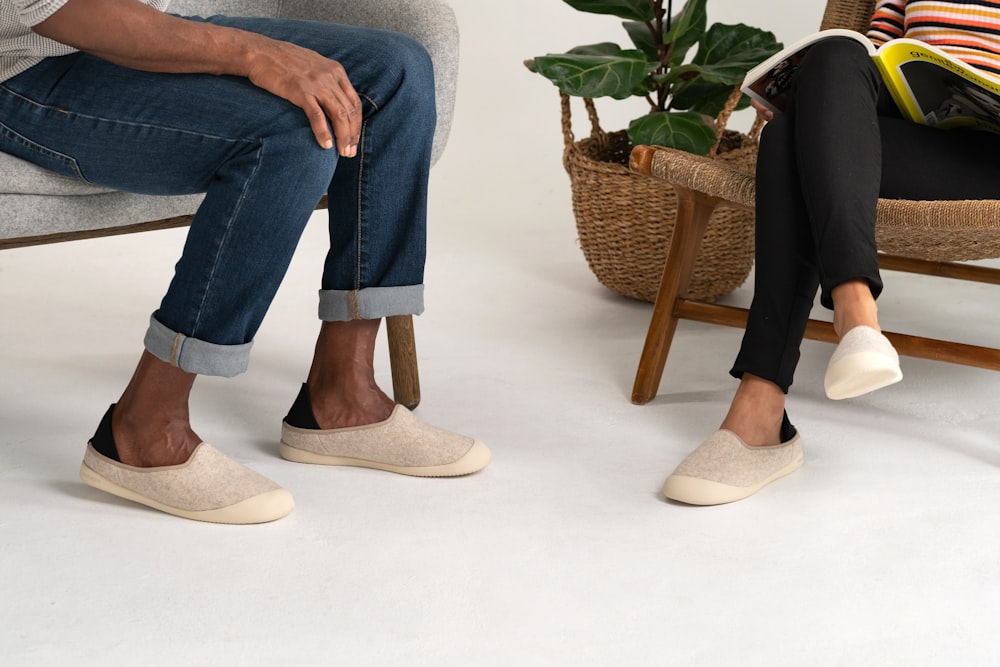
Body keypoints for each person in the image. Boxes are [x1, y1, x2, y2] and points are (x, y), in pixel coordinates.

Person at [2, 0, 490, 524]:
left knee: (396, 70)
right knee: (291, 134)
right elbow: (58, 12)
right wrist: (256, 54)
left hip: (142, 34)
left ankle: (342, 397)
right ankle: (143, 426)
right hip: (27, 67)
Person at [661, 0, 1000, 505]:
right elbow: (879, 56)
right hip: (917, 141)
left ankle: (762, 410)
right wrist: (818, 100)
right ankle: (855, 310)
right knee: (836, 55)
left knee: (787, 141)